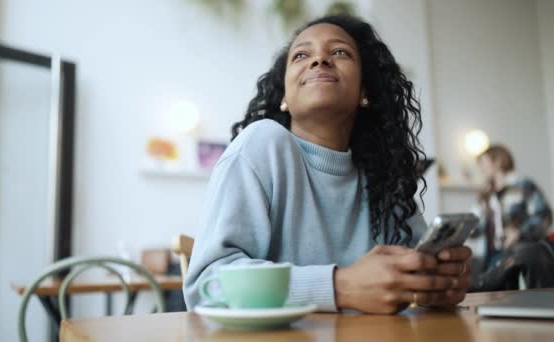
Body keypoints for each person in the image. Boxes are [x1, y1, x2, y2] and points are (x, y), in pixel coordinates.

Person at [183, 15, 472, 314]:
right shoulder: (262, 145)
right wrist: (339, 286)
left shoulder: (384, 176)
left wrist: (436, 284)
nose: (320, 59)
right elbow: (206, 284)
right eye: (301, 55)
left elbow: (411, 279)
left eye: (339, 52)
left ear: (364, 91)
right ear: (284, 96)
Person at [470, 145, 553, 272]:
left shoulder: (523, 185)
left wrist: (519, 232)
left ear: (498, 162)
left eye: (484, 163)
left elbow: (544, 216)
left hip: (521, 253)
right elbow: (477, 228)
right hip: (491, 257)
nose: (481, 168)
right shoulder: (487, 194)